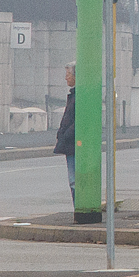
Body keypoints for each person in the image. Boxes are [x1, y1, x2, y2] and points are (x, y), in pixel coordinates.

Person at [53, 63, 76, 203]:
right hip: (70, 143)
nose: (65, 78)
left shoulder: (78, 96)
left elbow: (77, 120)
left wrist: (65, 135)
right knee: (73, 180)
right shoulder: (74, 95)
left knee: (74, 180)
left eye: (68, 75)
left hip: (72, 144)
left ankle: (79, 209)